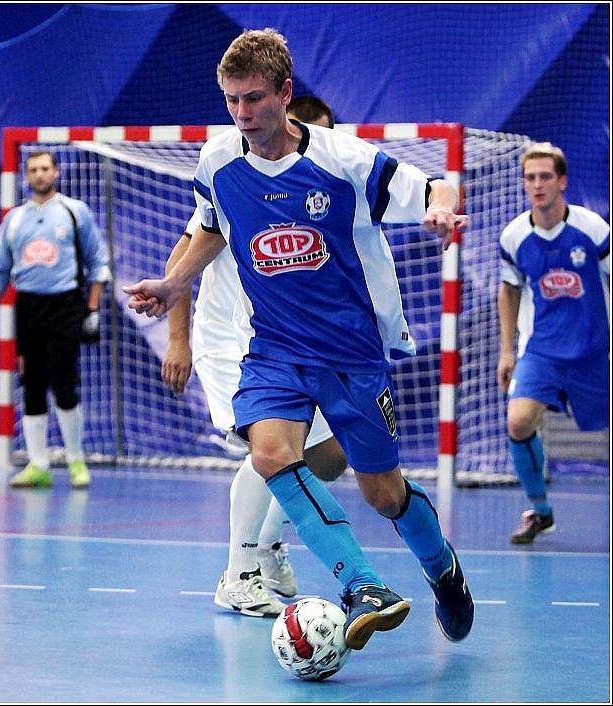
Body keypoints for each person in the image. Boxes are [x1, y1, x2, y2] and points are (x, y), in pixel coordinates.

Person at [125, 28, 474, 649]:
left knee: (383, 491)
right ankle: (362, 586)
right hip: (272, 349)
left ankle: (442, 568)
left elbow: (435, 186)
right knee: (269, 454)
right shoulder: (219, 159)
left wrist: (442, 211)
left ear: (285, 94)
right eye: (230, 100)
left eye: (253, 99)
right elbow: (210, 225)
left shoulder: (343, 161)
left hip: (348, 354)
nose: (241, 114)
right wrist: (175, 284)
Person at [162, 95, 346, 617]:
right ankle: (240, 573)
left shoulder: (327, 189)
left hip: (287, 338)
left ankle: (266, 547)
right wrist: (180, 340)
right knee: (270, 448)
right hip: (230, 340)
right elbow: (183, 258)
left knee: (331, 456)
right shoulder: (237, 181)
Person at [0, 150, 110, 489]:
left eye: (45, 168)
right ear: (25, 175)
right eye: (33, 169)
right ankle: (38, 464)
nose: (39, 174)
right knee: (31, 384)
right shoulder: (15, 220)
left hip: (66, 305)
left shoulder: (75, 212)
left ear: (56, 172)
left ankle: (76, 461)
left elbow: (97, 264)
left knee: (64, 382)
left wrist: (92, 310)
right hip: (29, 307)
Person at [497, 142, 610, 544]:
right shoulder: (514, 236)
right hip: (541, 351)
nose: (538, 184)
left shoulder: (592, 229)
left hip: (596, 351)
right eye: (531, 177)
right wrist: (508, 350)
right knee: (518, 420)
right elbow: (508, 290)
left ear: (562, 182)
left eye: (546, 176)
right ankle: (540, 511)